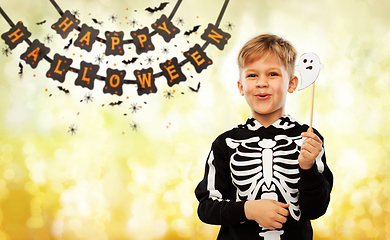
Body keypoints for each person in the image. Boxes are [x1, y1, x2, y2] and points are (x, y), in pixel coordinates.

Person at [195, 34, 333, 240]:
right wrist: (248, 209)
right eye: (252, 76)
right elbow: (207, 208)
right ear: (241, 87)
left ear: (292, 83)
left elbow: (316, 209)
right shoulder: (225, 144)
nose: (261, 83)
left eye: (272, 74)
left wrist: (307, 167)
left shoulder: (309, 140)